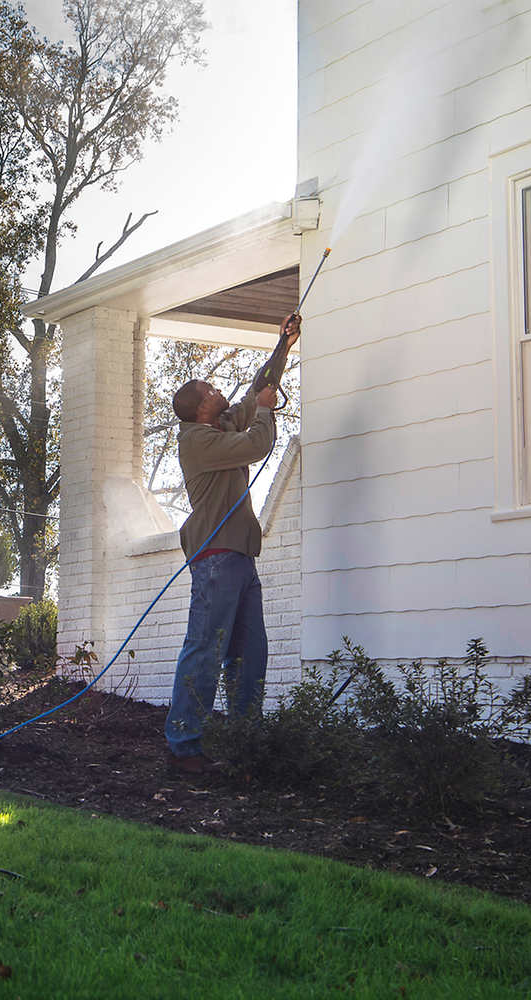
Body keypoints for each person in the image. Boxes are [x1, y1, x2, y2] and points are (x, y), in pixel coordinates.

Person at [164, 313, 301, 775]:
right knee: (206, 647)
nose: (221, 392)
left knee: (249, 652)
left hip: (240, 557)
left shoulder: (219, 425)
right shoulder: (197, 441)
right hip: (216, 558)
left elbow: (252, 394)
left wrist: (282, 346)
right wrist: (264, 409)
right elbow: (258, 442)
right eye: (212, 391)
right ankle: (183, 746)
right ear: (201, 406)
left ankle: (246, 739)